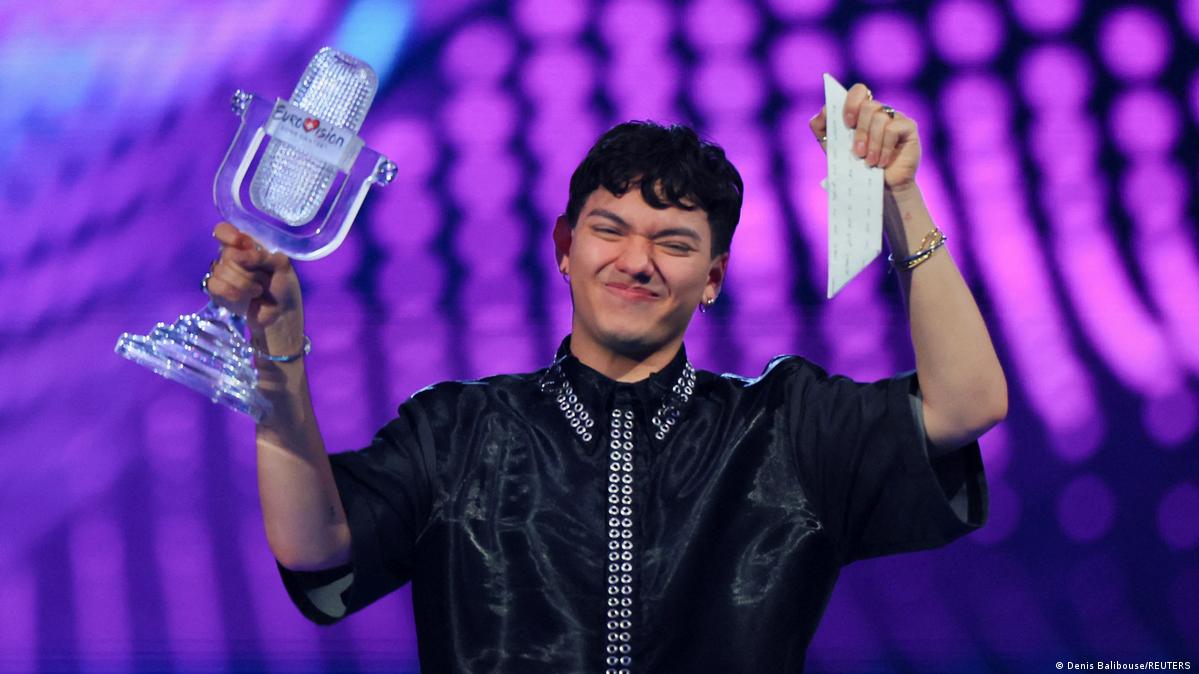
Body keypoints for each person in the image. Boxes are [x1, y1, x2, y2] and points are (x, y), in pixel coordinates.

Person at [205, 83, 1005, 673]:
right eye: (609, 230)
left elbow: (967, 403)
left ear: (714, 276)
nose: (636, 262)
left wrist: (898, 199)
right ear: (564, 247)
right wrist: (278, 358)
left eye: (674, 243)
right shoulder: (458, 429)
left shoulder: (783, 426)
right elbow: (314, 545)